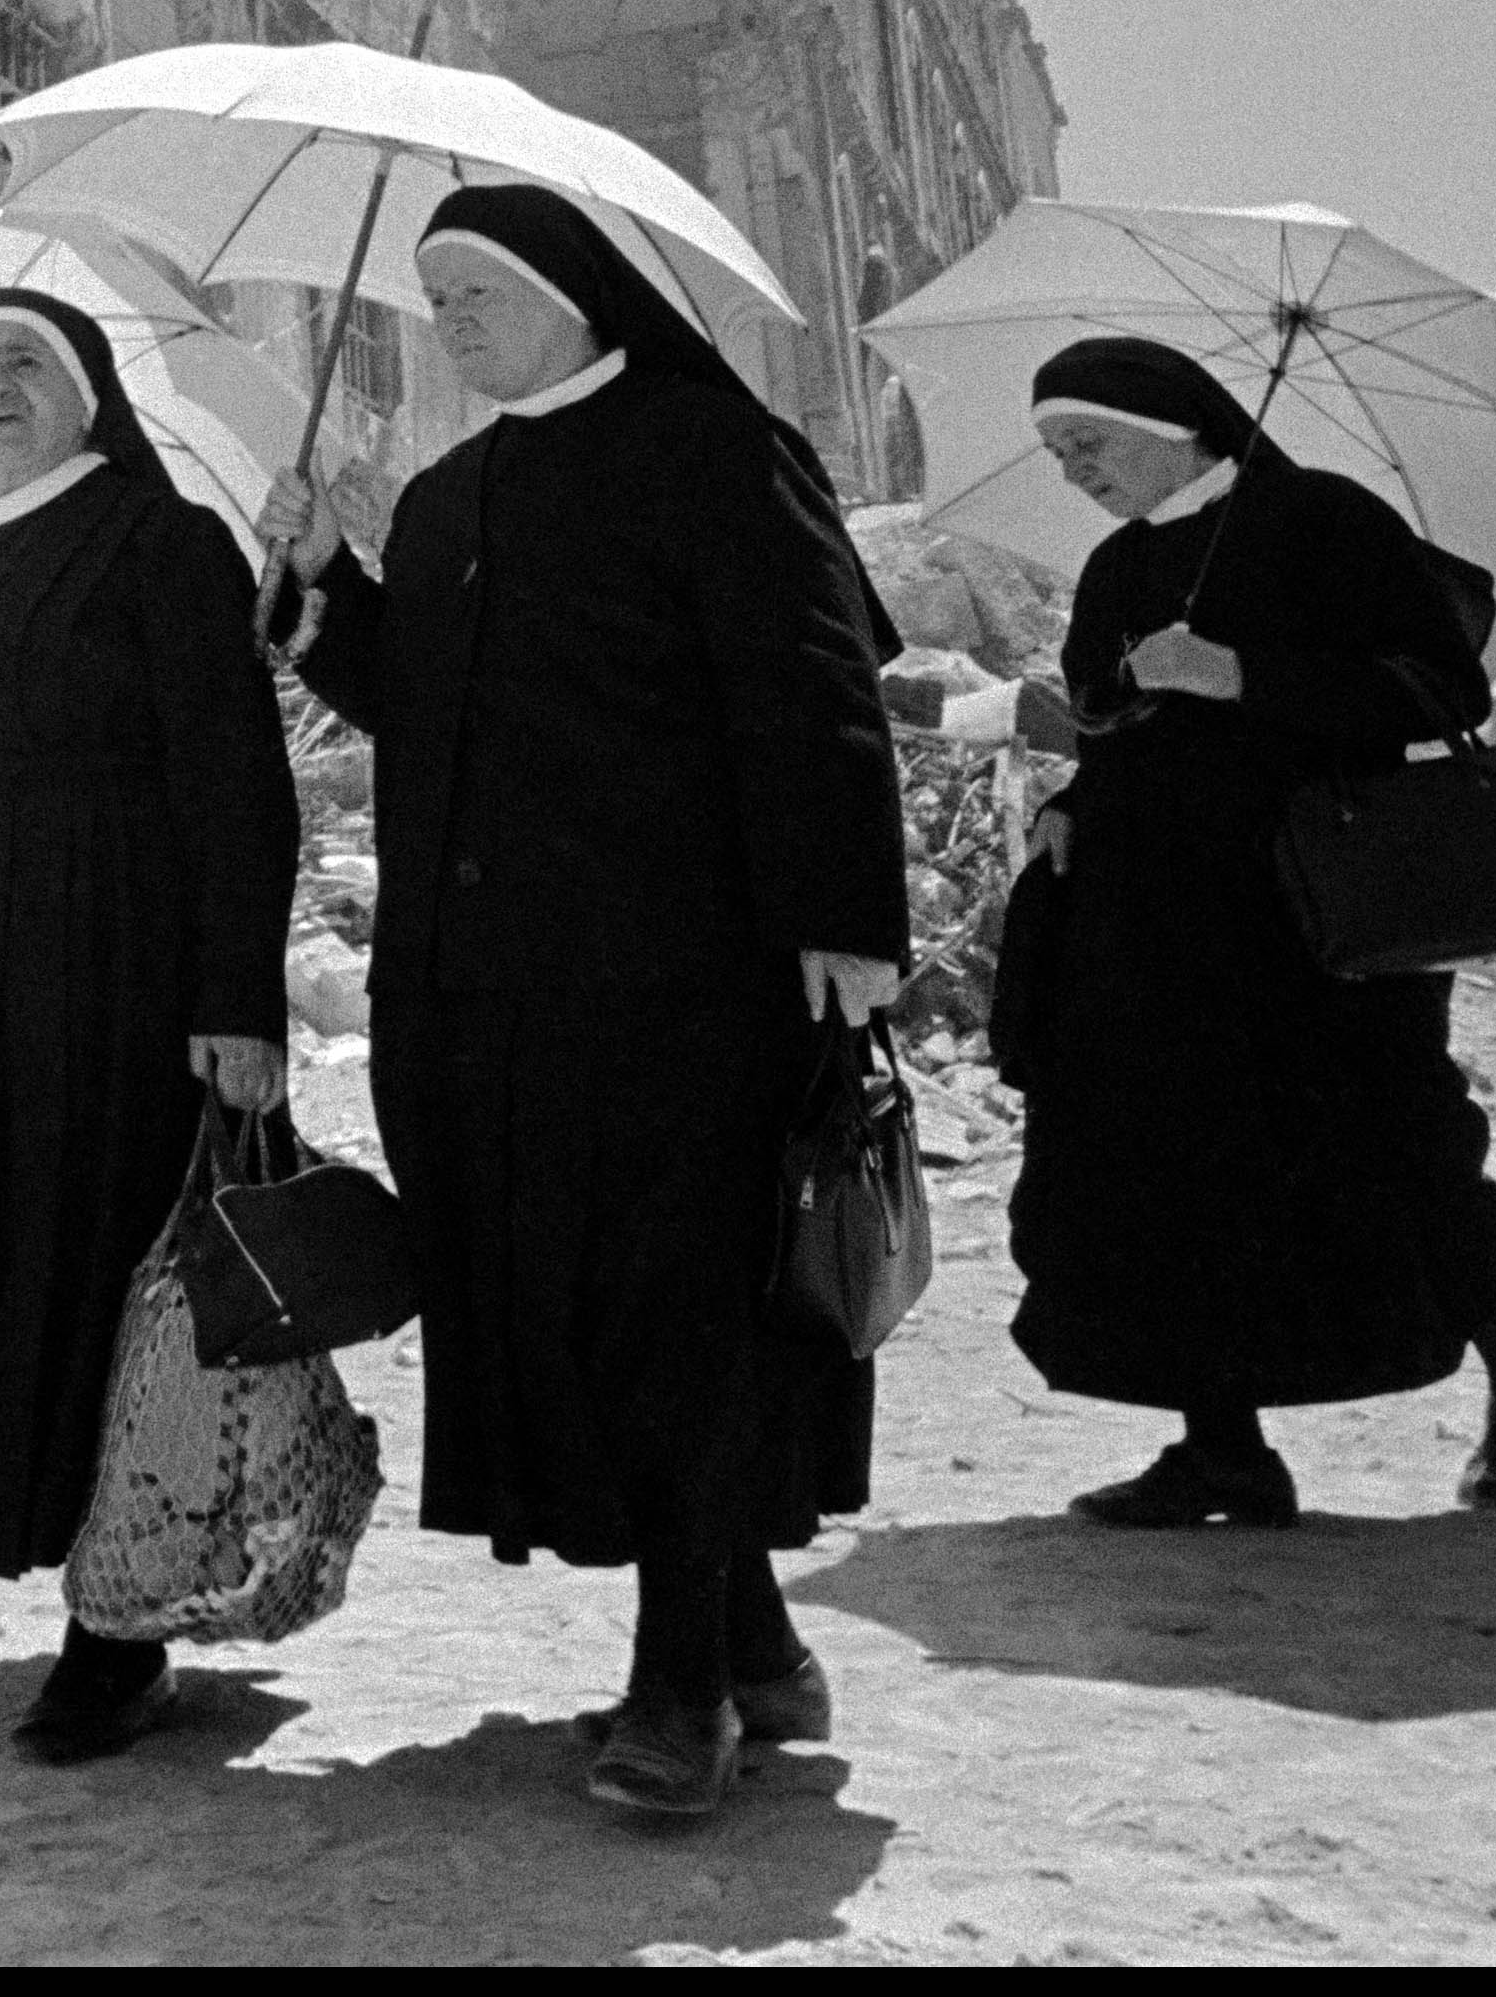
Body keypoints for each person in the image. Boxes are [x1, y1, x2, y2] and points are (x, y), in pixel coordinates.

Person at [253, 185, 907, 1826]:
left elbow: (812, 681)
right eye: (433, 295)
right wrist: (325, 586)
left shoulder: (712, 447)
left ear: (574, 289)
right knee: (566, 1318)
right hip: (476, 999)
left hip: (679, 980)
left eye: (476, 286)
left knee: (674, 1313)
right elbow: (415, 702)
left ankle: (683, 1688)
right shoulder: (450, 494)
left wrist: (843, 916)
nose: (449, 317)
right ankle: (754, 1641)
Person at [0, 290, 301, 1765]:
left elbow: (237, 778)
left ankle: (121, 1633)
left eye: (26, 359)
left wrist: (237, 998)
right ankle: (50, 1557)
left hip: (120, 953)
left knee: (108, 1267)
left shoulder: (161, 543)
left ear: (89, 393)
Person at [998, 335, 1496, 1534]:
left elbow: (1441, 689)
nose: (1074, 471)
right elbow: (1117, 728)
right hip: (1161, 923)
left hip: (1321, 917)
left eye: (1089, 443)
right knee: (1176, 1171)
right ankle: (1223, 1449)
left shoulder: (1326, 519)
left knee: (1403, 1149)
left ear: (1173, 427)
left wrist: (1243, 673)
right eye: (1058, 454)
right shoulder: (1118, 566)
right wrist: (1077, 801)